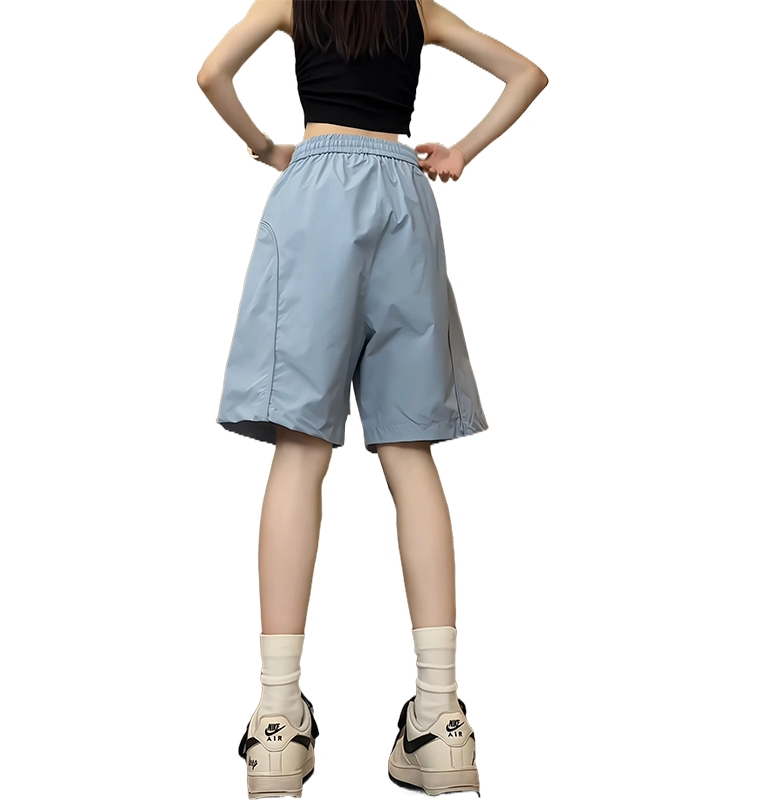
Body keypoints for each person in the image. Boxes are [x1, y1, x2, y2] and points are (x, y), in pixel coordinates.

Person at [197, 1, 547, 796]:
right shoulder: (416, 7)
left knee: (299, 447)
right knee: (409, 449)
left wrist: (264, 148)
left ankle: (279, 722)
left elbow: (212, 74)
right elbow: (527, 74)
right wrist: (461, 150)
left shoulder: (291, 1)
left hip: (315, 191)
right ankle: (441, 718)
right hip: (403, 195)